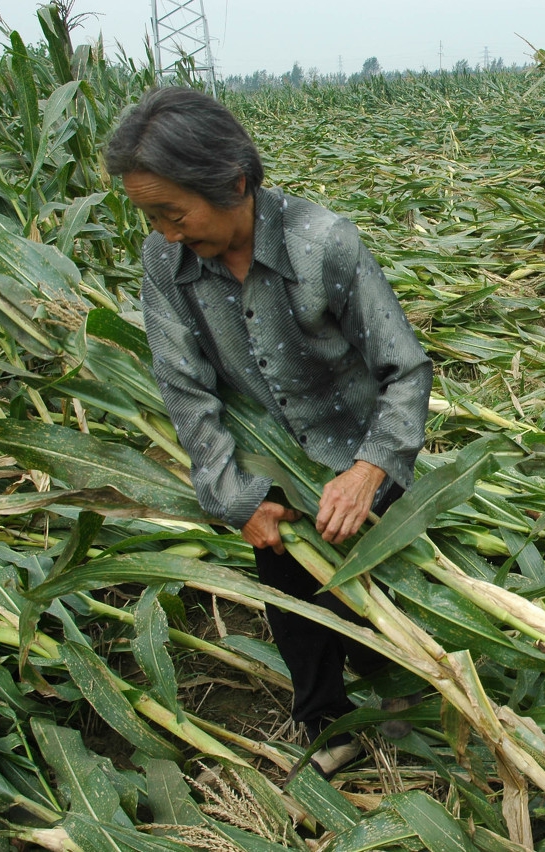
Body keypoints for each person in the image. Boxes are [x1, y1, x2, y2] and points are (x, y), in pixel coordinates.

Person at [104, 87, 432, 776]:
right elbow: (186, 390)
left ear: (234, 181)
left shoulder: (323, 245)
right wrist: (235, 495)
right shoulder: (166, 266)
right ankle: (325, 722)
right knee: (290, 595)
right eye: (151, 216)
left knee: (375, 591)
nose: (166, 232)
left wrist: (371, 468)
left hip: (356, 454)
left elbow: (404, 371)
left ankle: (402, 694)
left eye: (173, 213)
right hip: (271, 467)